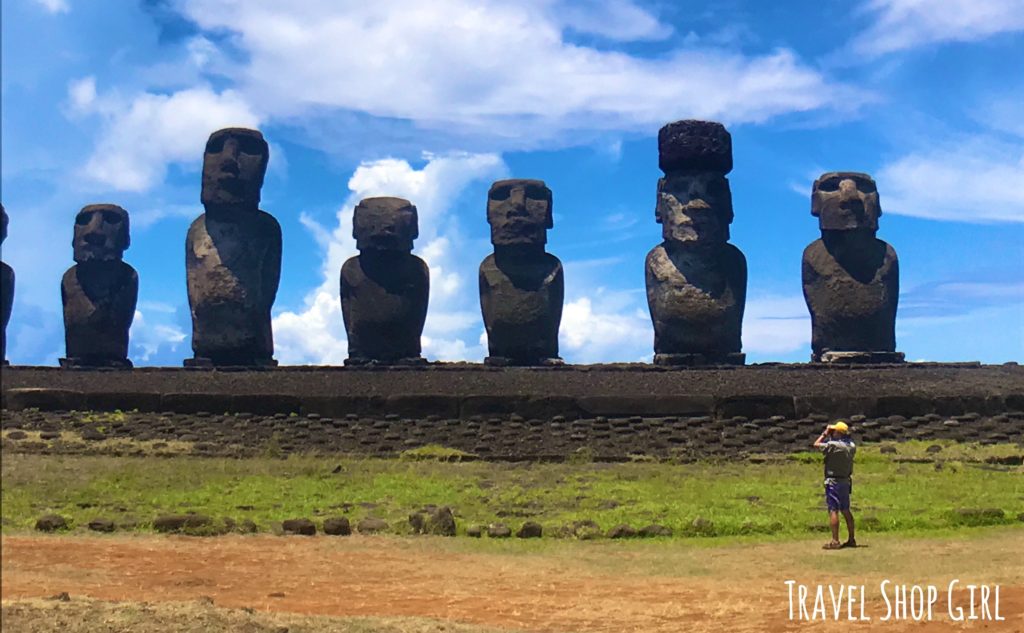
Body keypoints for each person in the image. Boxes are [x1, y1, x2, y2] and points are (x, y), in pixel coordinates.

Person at [813, 420, 856, 550]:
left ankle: (835, 540)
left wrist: (825, 434)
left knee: (833, 510)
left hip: (833, 481)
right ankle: (851, 538)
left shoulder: (832, 445)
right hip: (845, 480)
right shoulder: (851, 446)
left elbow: (816, 444)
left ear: (838, 433)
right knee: (846, 510)